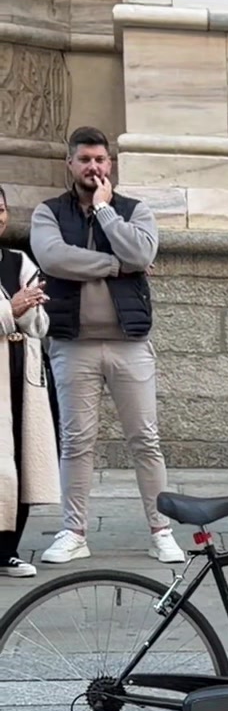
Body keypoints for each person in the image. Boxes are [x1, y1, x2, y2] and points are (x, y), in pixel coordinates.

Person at [29, 127, 183, 567]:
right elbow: (54, 258)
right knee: (76, 441)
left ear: (110, 164)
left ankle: (161, 530)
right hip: (72, 343)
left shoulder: (134, 210)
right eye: (84, 160)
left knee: (146, 440)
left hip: (129, 344)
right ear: (70, 164)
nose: (93, 167)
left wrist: (105, 214)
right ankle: (74, 531)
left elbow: (144, 251)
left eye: (100, 159)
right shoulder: (49, 212)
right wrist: (117, 265)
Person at [0, 186, 60, 575]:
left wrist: (21, 311)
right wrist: (11, 308)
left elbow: (40, 321)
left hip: (23, 376)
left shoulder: (17, 259)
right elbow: (20, 305)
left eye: (0, 209)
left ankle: (7, 550)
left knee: (22, 461)